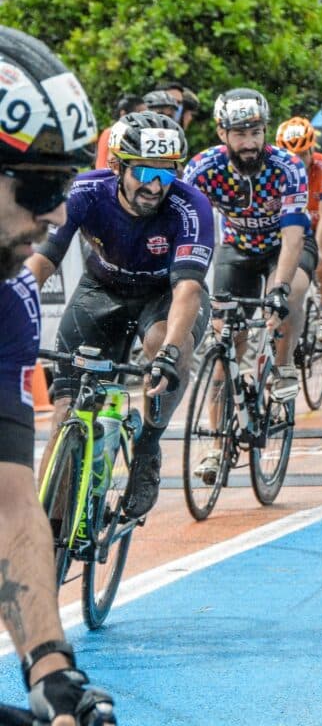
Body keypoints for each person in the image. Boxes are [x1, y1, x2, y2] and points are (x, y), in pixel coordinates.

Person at [0, 24, 117, 726]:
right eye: (42, 182)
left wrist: (50, 667)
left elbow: (11, 504)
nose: (54, 213)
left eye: (67, 183)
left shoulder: (10, 297)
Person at [29, 111, 213, 518]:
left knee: (163, 344)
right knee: (65, 412)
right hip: (103, 289)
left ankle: (148, 448)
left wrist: (167, 353)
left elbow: (187, 288)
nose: (154, 186)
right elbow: (42, 262)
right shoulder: (84, 192)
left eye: (166, 175)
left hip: (164, 294)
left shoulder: (190, 206)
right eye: (144, 172)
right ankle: (51, 531)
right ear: (116, 166)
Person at [183, 88, 314, 465]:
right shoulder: (203, 169)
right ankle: (215, 444)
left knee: (289, 295)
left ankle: (284, 365)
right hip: (237, 249)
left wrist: (279, 289)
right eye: (240, 134)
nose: (250, 142)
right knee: (226, 347)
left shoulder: (287, 166)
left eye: (256, 132)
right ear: (222, 134)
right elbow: (192, 230)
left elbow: (293, 236)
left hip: (282, 247)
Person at [276, 116, 322, 341]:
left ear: (311, 150)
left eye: (303, 155)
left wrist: (318, 251)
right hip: (294, 224)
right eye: (292, 156)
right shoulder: (276, 170)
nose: (298, 160)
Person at [93, 93, 145, 170]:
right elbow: (102, 166)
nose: (144, 117)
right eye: (140, 113)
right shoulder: (113, 132)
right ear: (123, 113)